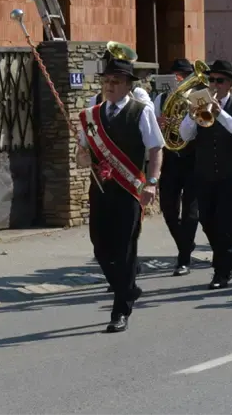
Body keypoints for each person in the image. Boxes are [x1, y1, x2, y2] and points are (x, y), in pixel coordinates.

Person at [76, 58, 164, 333]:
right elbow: (81, 156)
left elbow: (155, 149)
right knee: (100, 247)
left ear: (127, 85)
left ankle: (120, 310)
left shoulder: (141, 111)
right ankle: (128, 289)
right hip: (100, 190)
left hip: (129, 191)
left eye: (115, 81)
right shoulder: (91, 115)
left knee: (125, 250)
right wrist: (81, 156)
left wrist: (152, 183)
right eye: (106, 81)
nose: (109, 86)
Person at [177, 59, 232, 290]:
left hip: (231, 172)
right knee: (207, 220)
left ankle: (222, 271)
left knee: (225, 223)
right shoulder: (200, 101)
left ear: (230, 84)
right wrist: (191, 116)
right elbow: (185, 135)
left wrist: (220, 114)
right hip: (205, 171)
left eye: (220, 81)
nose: (215, 85)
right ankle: (227, 252)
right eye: (211, 80)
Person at [154, 58, 199, 276]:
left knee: (191, 212)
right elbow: (154, 127)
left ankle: (184, 259)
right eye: (176, 75)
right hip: (170, 158)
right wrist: (160, 124)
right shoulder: (161, 98)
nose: (179, 78)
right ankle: (185, 243)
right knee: (168, 209)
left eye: (184, 75)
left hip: (192, 159)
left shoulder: (197, 98)